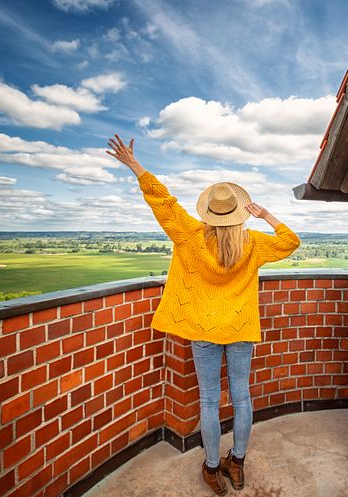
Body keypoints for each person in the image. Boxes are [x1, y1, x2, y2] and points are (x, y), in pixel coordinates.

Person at [106, 135, 301, 495]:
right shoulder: (254, 242)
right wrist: (266, 215)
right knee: (242, 398)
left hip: (203, 331)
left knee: (209, 400)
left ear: (208, 213)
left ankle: (212, 468)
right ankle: (237, 462)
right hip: (241, 329)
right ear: (241, 212)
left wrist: (135, 166)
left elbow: (163, 203)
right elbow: (291, 241)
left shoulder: (189, 235)